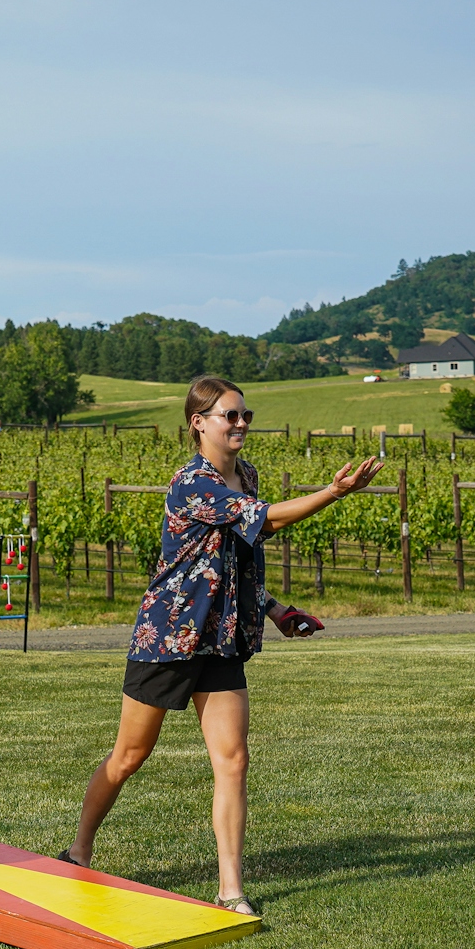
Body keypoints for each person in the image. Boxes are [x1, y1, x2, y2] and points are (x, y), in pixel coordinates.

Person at [60, 375, 382, 914]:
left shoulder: (246, 475)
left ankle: (231, 890)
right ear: (199, 423)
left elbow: (242, 547)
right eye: (229, 415)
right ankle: (78, 850)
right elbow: (262, 518)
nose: (241, 423)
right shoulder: (192, 483)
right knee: (129, 756)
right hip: (170, 635)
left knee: (233, 761)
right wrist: (334, 493)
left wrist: (276, 609)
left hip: (223, 638)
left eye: (244, 415)